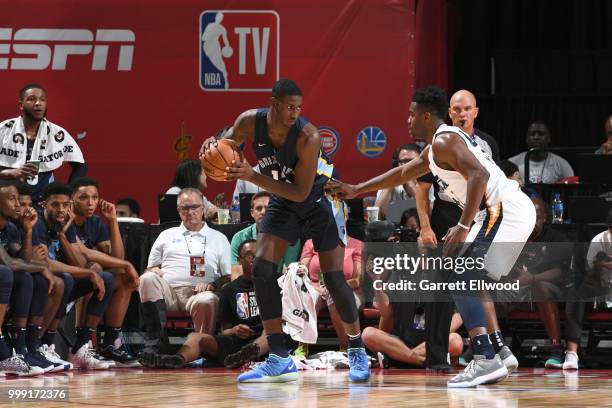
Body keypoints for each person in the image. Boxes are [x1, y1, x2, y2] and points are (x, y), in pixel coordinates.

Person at [330, 86, 536, 387]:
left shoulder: (445, 140)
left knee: (462, 274)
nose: (408, 121)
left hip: (502, 210)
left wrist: (463, 226)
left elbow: (478, 175)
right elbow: (403, 173)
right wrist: (356, 189)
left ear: (427, 116)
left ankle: (485, 357)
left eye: (412, 115)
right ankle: (498, 352)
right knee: (467, 276)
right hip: (501, 212)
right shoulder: (437, 147)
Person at [200, 78, 370, 383]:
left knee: (333, 278)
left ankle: (357, 349)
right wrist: (212, 144)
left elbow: (302, 193)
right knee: (263, 269)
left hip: (319, 199)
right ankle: (278, 356)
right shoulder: (250, 122)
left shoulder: (308, 135)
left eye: (298, 108)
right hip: (281, 198)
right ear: (273, 104)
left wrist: (252, 175)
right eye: (289, 107)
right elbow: (227, 142)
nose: (294, 113)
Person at [140, 239, 269, 369]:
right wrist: (235, 330)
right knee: (195, 337)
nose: (254, 259)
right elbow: (225, 332)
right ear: (239, 259)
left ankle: (248, 355)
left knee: (271, 333)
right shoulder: (230, 289)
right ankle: (176, 359)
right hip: (236, 346)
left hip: (267, 344)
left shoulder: (274, 283)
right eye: (249, 256)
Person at [138, 188, 231, 359]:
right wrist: (153, 270)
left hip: (200, 293)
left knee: (207, 299)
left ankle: (203, 349)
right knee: (146, 279)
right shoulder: (166, 235)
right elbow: (149, 269)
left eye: (194, 207)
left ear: (203, 208)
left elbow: (228, 277)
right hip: (169, 293)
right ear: (178, 211)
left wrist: (212, 285)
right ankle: (156, 342)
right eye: (184, 208)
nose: (190, 212)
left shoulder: (218, 238)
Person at [31, 182, 115, 370]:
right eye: (55, 205)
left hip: (58, 285)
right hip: (37, 283)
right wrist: (88, 272)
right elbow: (45, 263)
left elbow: (78, 264)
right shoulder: (36, 222)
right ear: (44, 205)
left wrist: (62, 236)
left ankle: (80, 347)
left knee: (107, 278)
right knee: (66, 279)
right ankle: (39, 345)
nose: (61, 209)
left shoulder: (65, 222)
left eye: (66, 205)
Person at [69, 177, 140, 367]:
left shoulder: (95, 222)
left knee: (123, 280)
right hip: (65, 278)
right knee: (95, 272)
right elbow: (84, 253)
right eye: (84, 197)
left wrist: (113, 221)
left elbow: (117, 255)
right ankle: (82, 343)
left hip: (84, 278)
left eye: (94, 197)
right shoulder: (66, 220)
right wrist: (125, 264)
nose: (90, 202)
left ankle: (110, 343)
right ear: (72, 198)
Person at [0, 84, 86, 203]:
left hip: (42, 204)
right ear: (21, 105)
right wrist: (10, 172)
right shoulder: (3, 130)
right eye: (31, 99)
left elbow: (80, 165)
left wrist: (67, 193)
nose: (38, 103)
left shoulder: (57, 134)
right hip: (7, 203)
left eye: (42, 99)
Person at [297, 233, 363, 354]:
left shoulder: (357, 245)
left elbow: (357, 279)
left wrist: (336, 286)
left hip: (348, 289)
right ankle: (302, 346)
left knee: (337, 296)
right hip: (316, 287)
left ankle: (346, 347)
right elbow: (301, 272)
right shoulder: (311, 243)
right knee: (308, 297)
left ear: (345, 217)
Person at [229, 191, 301, 280]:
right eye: (259, 208)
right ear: (252, 213)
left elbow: (289, 272)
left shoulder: (289, 237)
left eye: (268, 208)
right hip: (247, 287)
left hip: (278, 286)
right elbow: (236, 275)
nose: (263, 212)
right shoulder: (239, 238)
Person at [508, 121, 574, 183]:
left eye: (541, 134)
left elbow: (572, 190)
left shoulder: (561, 164)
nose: (536, 137)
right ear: (527, 139)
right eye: (532, 134)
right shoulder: (512, 163)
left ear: (549, 138)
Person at [448, 90, 500, 164]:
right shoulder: (439, 141)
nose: (462, 114)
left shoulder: (488, 142)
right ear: (450, 113)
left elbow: (496, 174)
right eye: (457, 109)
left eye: (467, 109)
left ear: (475, 112)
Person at [374, 144, 420, 221]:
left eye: (413, 161)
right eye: (404, 161)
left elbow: (429, 213)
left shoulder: (430, 183)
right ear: (396, 164)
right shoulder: (388, 183)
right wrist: (390, 184)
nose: (408, 165)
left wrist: (410, 185)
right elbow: (378, 216)